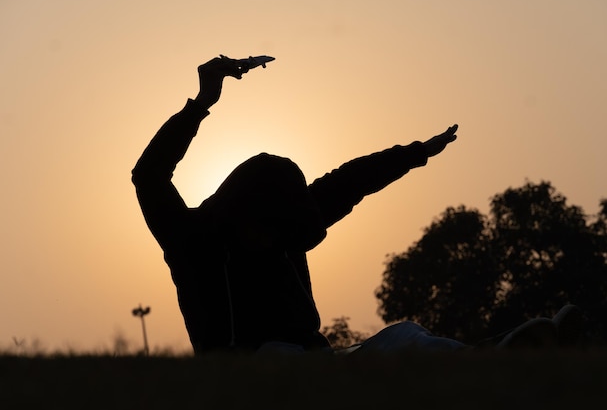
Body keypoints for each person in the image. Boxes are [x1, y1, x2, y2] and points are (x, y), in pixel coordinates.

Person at [132, 56, 577, 354]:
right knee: (277, 356)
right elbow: (148, 176)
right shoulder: (190, 238)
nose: (275, 244)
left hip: (319, 361)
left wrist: (415, 153)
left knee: (403, 337)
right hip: (246, 374)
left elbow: (352, 180)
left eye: (283, 236)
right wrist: (202, 103)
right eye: (267, 231)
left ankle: (496, 354)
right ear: (245, 213)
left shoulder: (286, 227)